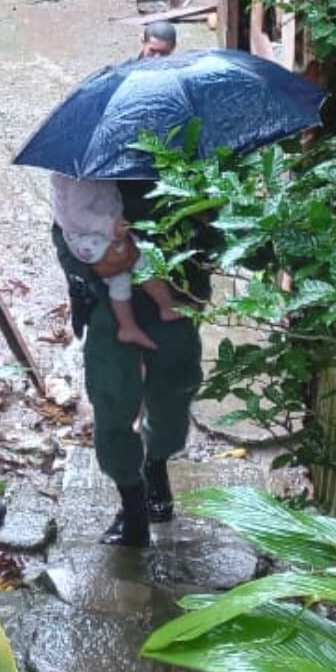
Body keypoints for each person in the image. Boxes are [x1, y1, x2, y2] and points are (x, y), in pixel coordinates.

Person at [53, 181, 212, 547]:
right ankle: (132, 503)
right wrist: (92, 265)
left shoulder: (194, 153)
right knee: (112, 398)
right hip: (107, 301)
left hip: (173, 297)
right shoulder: (91, 155)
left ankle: (157, 465)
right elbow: (64, 226)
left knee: (175, 391)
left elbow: (223, 231)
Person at [48, 173, 182, 350]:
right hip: (90, 237)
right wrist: (109, 226)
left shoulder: (92, 171)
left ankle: (128, 327)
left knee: (121, 278)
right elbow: (74, 215)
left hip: (98, 230)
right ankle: (166, 305)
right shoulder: (80, 178)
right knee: (140, 261)